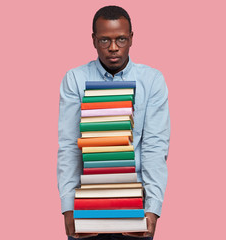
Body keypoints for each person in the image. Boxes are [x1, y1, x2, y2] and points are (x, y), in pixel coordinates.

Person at [57, 5, 170, 240]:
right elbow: (68, 146)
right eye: (104, 40)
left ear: (131, 38)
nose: (113, 48)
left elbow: (155, 147)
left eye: (120, 39)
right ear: (93, 40)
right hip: (86, 207)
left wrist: (153, 209)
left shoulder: (152, 81)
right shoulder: (75, 79)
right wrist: (68, 208)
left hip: (136, 204)